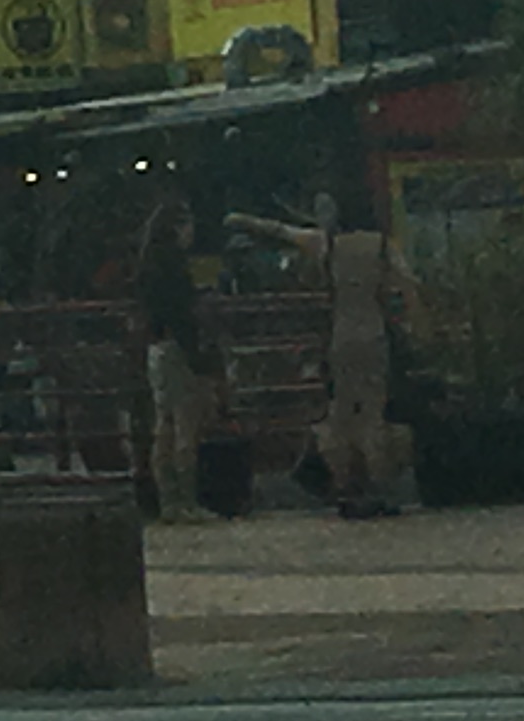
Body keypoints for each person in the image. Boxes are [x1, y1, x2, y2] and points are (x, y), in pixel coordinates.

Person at [231, 191, 405, 516]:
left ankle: (345, 487)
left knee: (341, 414)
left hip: (340, 334)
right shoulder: (381, 246)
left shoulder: (327, 243)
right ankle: (377, 488)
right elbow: (408, 282)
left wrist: (243, 220)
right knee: (371, 414)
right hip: (374, 333)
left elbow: (281, 231)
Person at [134, 196, 215, 523]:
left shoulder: (147, 264)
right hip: (177, 348)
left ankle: (168, 501)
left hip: (157, 348)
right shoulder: (174, 266)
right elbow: (183, 315)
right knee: (185, 427)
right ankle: (187, 499)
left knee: (163, 427)